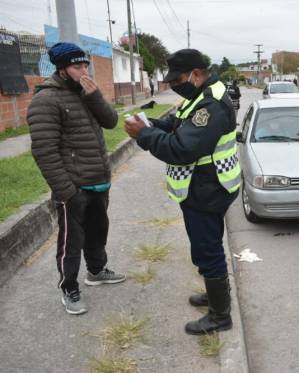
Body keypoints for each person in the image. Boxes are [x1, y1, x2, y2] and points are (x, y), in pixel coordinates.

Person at [124, 49, 241, 335]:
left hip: (207, 190)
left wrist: (144, 135)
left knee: (207, 250)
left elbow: (181, 149)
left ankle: (219, 316)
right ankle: (214, 296)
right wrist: (153, 124)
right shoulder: (201, 95)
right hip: (206, 186)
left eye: (177, 79)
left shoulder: (210, 105)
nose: (175, 84)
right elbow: (181, 128)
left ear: (196, 74)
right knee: (206, 246)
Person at [27, 42, 126, 315]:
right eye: (76, 66)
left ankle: (95, 271)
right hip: (73, 188)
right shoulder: (46, 100)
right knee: (71, 243)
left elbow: (111, 122)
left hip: (98, 181)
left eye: (85, 65)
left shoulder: (87, 92)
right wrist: (66, 190)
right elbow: (44, 151)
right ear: (61, 69)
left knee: (98, 232)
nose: (83, 71)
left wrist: (94, 97)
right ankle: (69, 287)